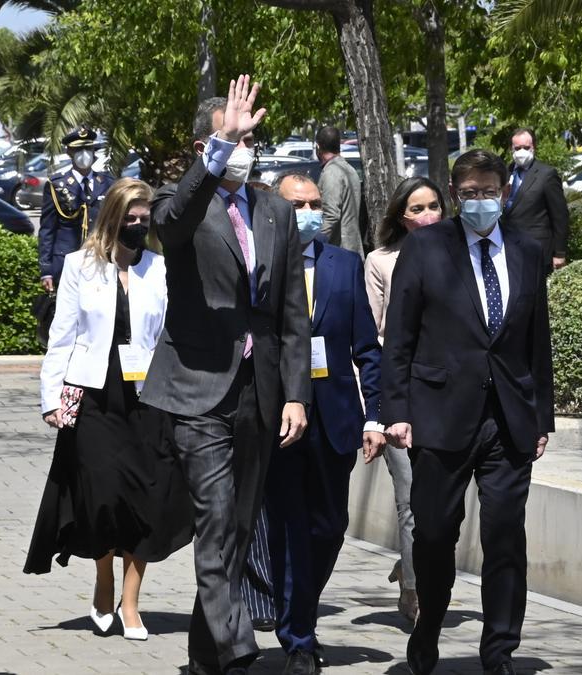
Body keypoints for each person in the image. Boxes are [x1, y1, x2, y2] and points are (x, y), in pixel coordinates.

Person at [139, 75, 311, 675]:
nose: (245, 147)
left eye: (249, 139)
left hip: (258, 391)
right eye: (232, 140)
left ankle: (205, 657)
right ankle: (239, 655)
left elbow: (292, 310)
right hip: (195, 388)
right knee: (215, 517)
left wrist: (296, 395)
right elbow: (172, 223)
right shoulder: (178, 201)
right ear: (204, 150)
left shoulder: (275, 211)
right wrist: (217, 150)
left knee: (236, 529)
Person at [382, 149, 554, 675]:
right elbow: (400, 337)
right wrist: (397, 410)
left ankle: (499, 648)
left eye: (490, 191)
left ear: (505, 192)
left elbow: (536, 340)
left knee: (505, 534)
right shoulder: (428, 247)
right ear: (456, 195)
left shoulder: (526, 249)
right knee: (434, 532)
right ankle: (428, 624)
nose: (481, 201)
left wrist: (541, 417)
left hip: (508, 417)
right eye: (470, 192)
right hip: (439, 414)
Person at [24, 178, 193, 641]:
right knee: (99, 496)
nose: (137, 227)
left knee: (144, 499)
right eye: (129, 219)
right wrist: (51, 397)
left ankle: (132, 603)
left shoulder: (160, 268)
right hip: (93, 393)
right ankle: (103, 582)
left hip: (148, 396)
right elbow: (62, 334)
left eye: (144, 220)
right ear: (111, 219)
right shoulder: (80, 265)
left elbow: (171, 336)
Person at [266, 173, 385, 674]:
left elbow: (366, 350)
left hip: (336, 419)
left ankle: (299, 610)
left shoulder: (345, 265)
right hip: (280, 421)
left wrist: (376, 415)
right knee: (289, 527)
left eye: (315, 204)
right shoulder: (261, 265)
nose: (309, 213)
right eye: (297, 205)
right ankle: (299, 638)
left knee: (329, 526)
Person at [363, 175, 447, 623]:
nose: (428, 215)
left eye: (434, 205)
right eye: (417, 208)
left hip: (450, 398)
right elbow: (373, 340)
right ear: (401, 216)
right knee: (410, 499)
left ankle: (411, 561)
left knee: (441, 504)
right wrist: (375, 413)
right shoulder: (381, 262)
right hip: (402, 396)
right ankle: (415, 592)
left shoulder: (461, 254)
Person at [38, 124, 117, 292]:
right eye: (78, 150)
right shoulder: (57, 185)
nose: (84, 154)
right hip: (65, 262)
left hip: (100, 260)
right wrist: (46, 270)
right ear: (69, 153)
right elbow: (47, 229)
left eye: (88, 149)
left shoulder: (108, 183)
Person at [501, 127, 571, 272]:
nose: (521, 152)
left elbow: (560, 216)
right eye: (517, 148)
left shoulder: (547, 174)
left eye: (526, 147)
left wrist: (560, 253)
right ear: (511, 149)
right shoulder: (503, 174)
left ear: (534, 148)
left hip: (537, 251)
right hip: (507, 251)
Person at [315, 126, 363, 258]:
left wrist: (313, 244)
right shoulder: (348, 169)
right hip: (350, 250)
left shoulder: (332, 173)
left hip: (340, 254)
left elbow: (331, 216)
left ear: (318, 147)